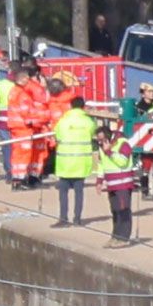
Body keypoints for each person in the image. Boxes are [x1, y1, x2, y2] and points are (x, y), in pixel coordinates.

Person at [51, 96, 96, 227]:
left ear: (70, 106)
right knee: (79, 193)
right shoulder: (89, 122)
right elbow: (92, 134)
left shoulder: (63, 121)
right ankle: (77, 219)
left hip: (65, 162)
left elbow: (57, 136)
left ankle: (63, 219)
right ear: (83, 107)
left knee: (63, 193)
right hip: (81, 162)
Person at [6, 64, 49, 189]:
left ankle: (17, 179)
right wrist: (40, 121)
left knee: (17, 154)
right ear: (24, 79)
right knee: (24, 154)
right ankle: (20, 181)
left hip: (15, 127)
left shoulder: (14, 91)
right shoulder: (22, 95)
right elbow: (27, 113)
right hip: (23, 128)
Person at [95, 124, 137, 246]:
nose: (100, 142)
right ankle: (115, 236)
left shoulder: (123, 144)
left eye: (102, 140)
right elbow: (101, 164)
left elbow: (123, 162)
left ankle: (124, 238)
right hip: (111, 184)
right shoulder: (102, 146)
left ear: (109, 136)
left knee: (123, 210)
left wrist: (109, 151)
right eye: (98, 140)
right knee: (115, 211)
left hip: (123, 183)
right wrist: (99, 181)